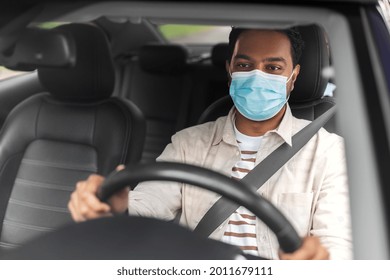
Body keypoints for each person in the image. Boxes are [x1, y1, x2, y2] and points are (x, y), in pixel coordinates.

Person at [68, 27, 352, 260]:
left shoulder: (328, 152)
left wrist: (319, 262)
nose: (257, 75)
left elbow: (337, 245)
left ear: (293, 76)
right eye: (245, 64)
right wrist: (116, 206)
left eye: (273, 67)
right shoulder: (189, 142)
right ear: (230, 69)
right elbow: (150, 202)